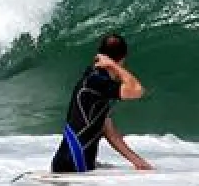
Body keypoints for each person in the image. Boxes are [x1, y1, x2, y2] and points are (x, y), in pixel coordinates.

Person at [51, 33, 153, 173]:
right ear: (123, 59)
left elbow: (108, 130)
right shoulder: (96, 82)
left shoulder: (95, 80)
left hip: (71, 163)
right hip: (75, 164)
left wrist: (136, 161)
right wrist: (114, 65)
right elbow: (137, 90)